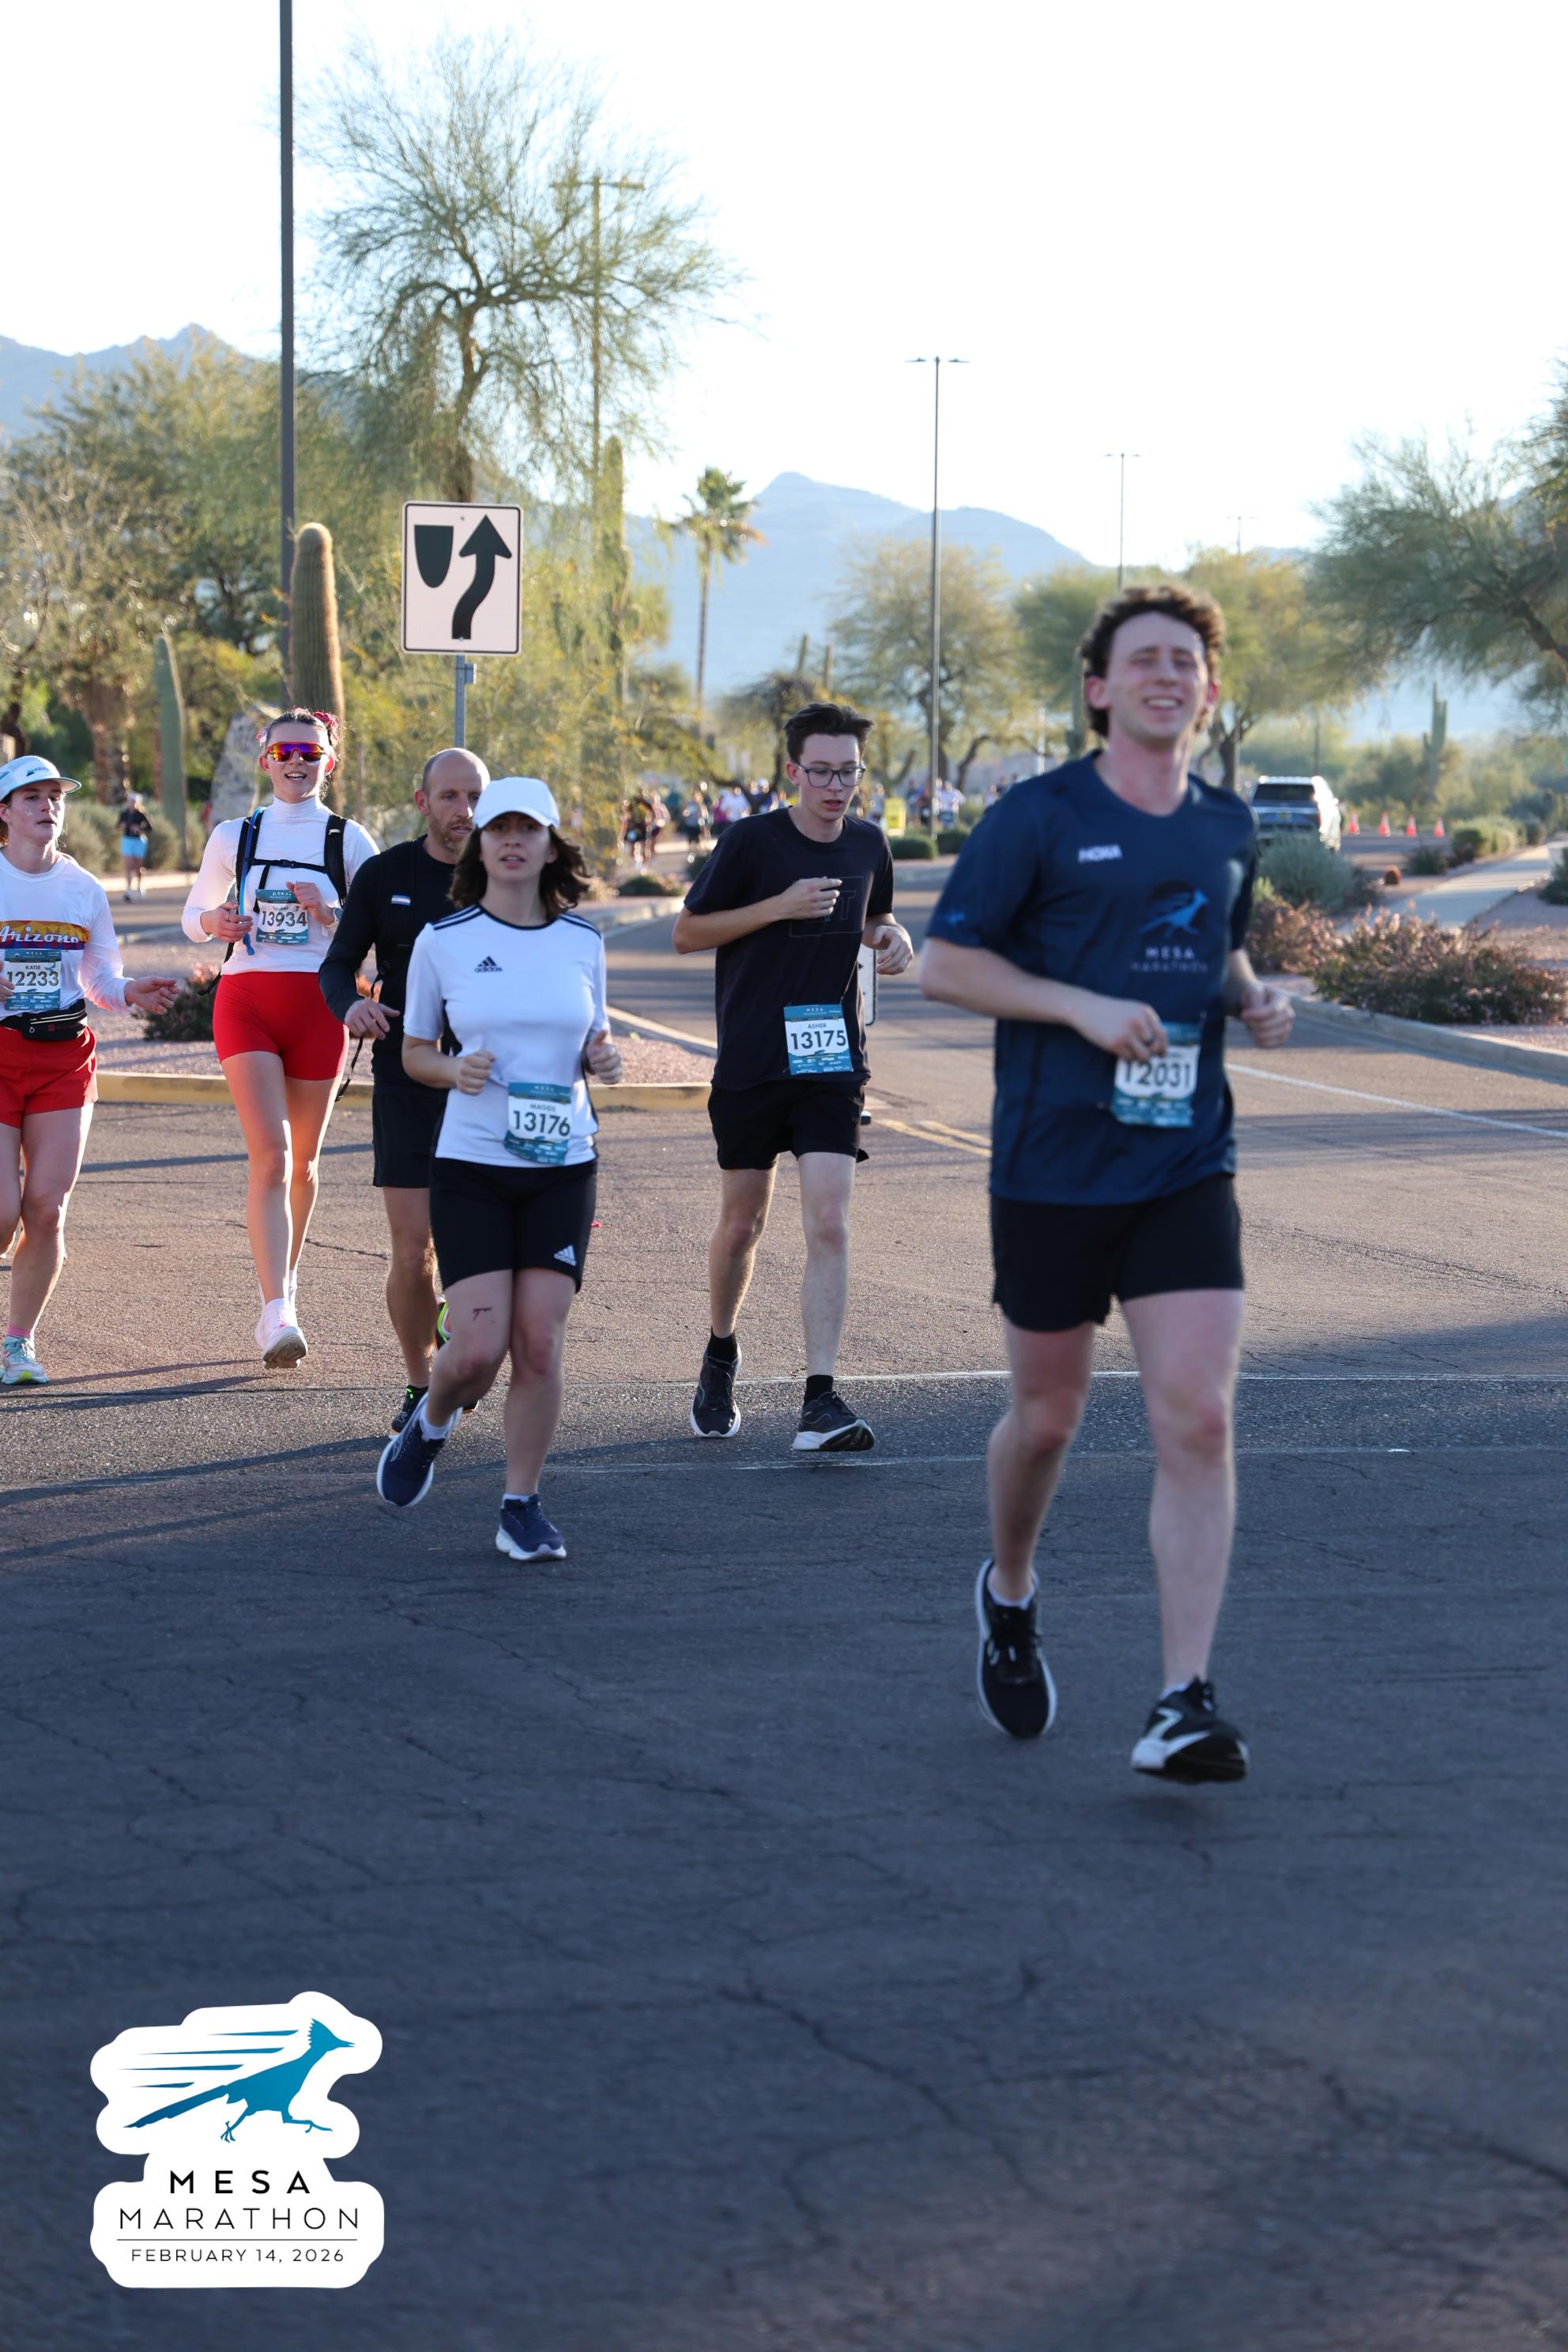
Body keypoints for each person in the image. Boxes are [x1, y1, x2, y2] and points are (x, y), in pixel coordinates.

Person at [919, 583, 1295, 1782]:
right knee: (1047, 1420)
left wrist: (1251, 997)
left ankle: (1183, 1698)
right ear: (1098, 688)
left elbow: (1216, 943)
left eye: (1186, 661)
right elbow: (944, 965)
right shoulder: (1038, 816)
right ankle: (1010, 1588)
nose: (1166, 675)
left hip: (1185, 1156)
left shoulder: (1226, 824)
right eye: (1144, 660)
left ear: (1209, 691)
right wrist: (1078, 1007)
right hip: (1052, 1162)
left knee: (1200, 1414)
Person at [374, 777, 623, 1560]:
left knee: (540, 1343)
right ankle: (431, 1422)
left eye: (528, 829)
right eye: (498, 829)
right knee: (478, 1348)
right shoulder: (443, 942)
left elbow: (591, 1036)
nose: (513, 841)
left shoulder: (583, 941)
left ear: (551, 845)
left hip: (562, 1162)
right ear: (479, 845)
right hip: (474, 1164)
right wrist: (454, 1070)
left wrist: (602, 1056)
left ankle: (522, 1506)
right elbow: (415, 1053)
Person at [673, 700, 913, 1452]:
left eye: (849, 773)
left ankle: (820, 1399)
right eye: (822, 772)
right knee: (743, 1224)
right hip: (752, 1057)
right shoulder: (751, 841)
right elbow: (687, 932)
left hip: (829, 1058)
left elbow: (873, 918)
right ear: (793, 772)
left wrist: (892, 937)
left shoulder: (869, 844)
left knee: (830, 1220)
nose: (836, 787)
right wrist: (778, 906)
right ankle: (720, 1352)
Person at [182, 710, 379, 1366]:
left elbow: (380, 926)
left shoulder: (349, 840)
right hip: (247, 1002)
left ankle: (284, 1283)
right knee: (271, 1155)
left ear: (330, 763)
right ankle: (276, 1313)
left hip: (319, 1006)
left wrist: (332, 913)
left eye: (310, 752)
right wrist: (216, 921)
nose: (297, 761)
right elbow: (193, 915)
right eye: (285, 751)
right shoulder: (234, 835)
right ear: (265, 760)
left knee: (304, 1165)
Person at [318, 746, 488, 1431]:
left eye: (475, 796)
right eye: (450, 796)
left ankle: (461, 1330)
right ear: (423, 803)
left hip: (487, 1080)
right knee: (413, 1246)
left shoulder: (508, 876)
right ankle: (422, 1385)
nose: (465, 810)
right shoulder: (385, 874)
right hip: (406, 1076)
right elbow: (337, 966)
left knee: (478, 1246)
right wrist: (351, 1006)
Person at [0, 756, 178, 1384]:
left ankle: (17, 1346)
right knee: (2, 1214)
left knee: (46, 1210)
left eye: (55, 795)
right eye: (31, 797)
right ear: (4, 812)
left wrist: (130, 992)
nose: (47, 805)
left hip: (62, 1057)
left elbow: (100, 977)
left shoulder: (82, 888)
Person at [117, 794, 153, 899]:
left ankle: (140, 885)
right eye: (130, 801)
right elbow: (118, 825)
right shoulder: (124, 814)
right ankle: (128, 889)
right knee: (128, 865)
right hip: (127, 840)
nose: (132, 803)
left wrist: (139, 828)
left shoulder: (141, 814)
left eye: (134, 801)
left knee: (138, 867)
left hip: (139, 841)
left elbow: (149, 828)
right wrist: (121, 826)